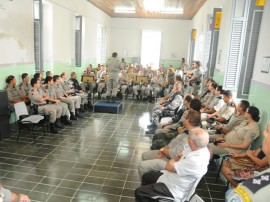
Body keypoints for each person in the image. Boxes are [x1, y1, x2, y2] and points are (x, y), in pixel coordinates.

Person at [135, 127, 210, 202]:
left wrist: (174, 159)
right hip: (172, 177)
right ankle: (150, 196)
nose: (187, 139)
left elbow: (169, 166)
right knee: (146, 177)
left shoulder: (195, 160)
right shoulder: (197, 148)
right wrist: (176, 158)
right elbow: (178, 156)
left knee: (139, 192)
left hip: (174, 188)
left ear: (192, 141)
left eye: (189, 137)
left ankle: (148, 196)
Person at [138, 110, 201, 178]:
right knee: (145, 155)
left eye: (185, 118)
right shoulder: (187, 130)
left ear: (188, 120)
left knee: (142, 166)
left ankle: (147, 184)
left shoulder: (191, 137)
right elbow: (174, 142)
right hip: (167, 153)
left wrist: (163, 150)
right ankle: (150, 177)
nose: (183, 119)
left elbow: (174, 154)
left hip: (172, 163)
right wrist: (165, 149)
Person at [226, 122, 270, 201]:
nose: (264, 133)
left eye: (267, 131)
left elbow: (260, 163)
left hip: (256, 167)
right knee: (226, 165)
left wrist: (250, 155)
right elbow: (253, 152)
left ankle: (237, 188)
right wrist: (240, 155)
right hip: (253, 165)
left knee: (227, 172)